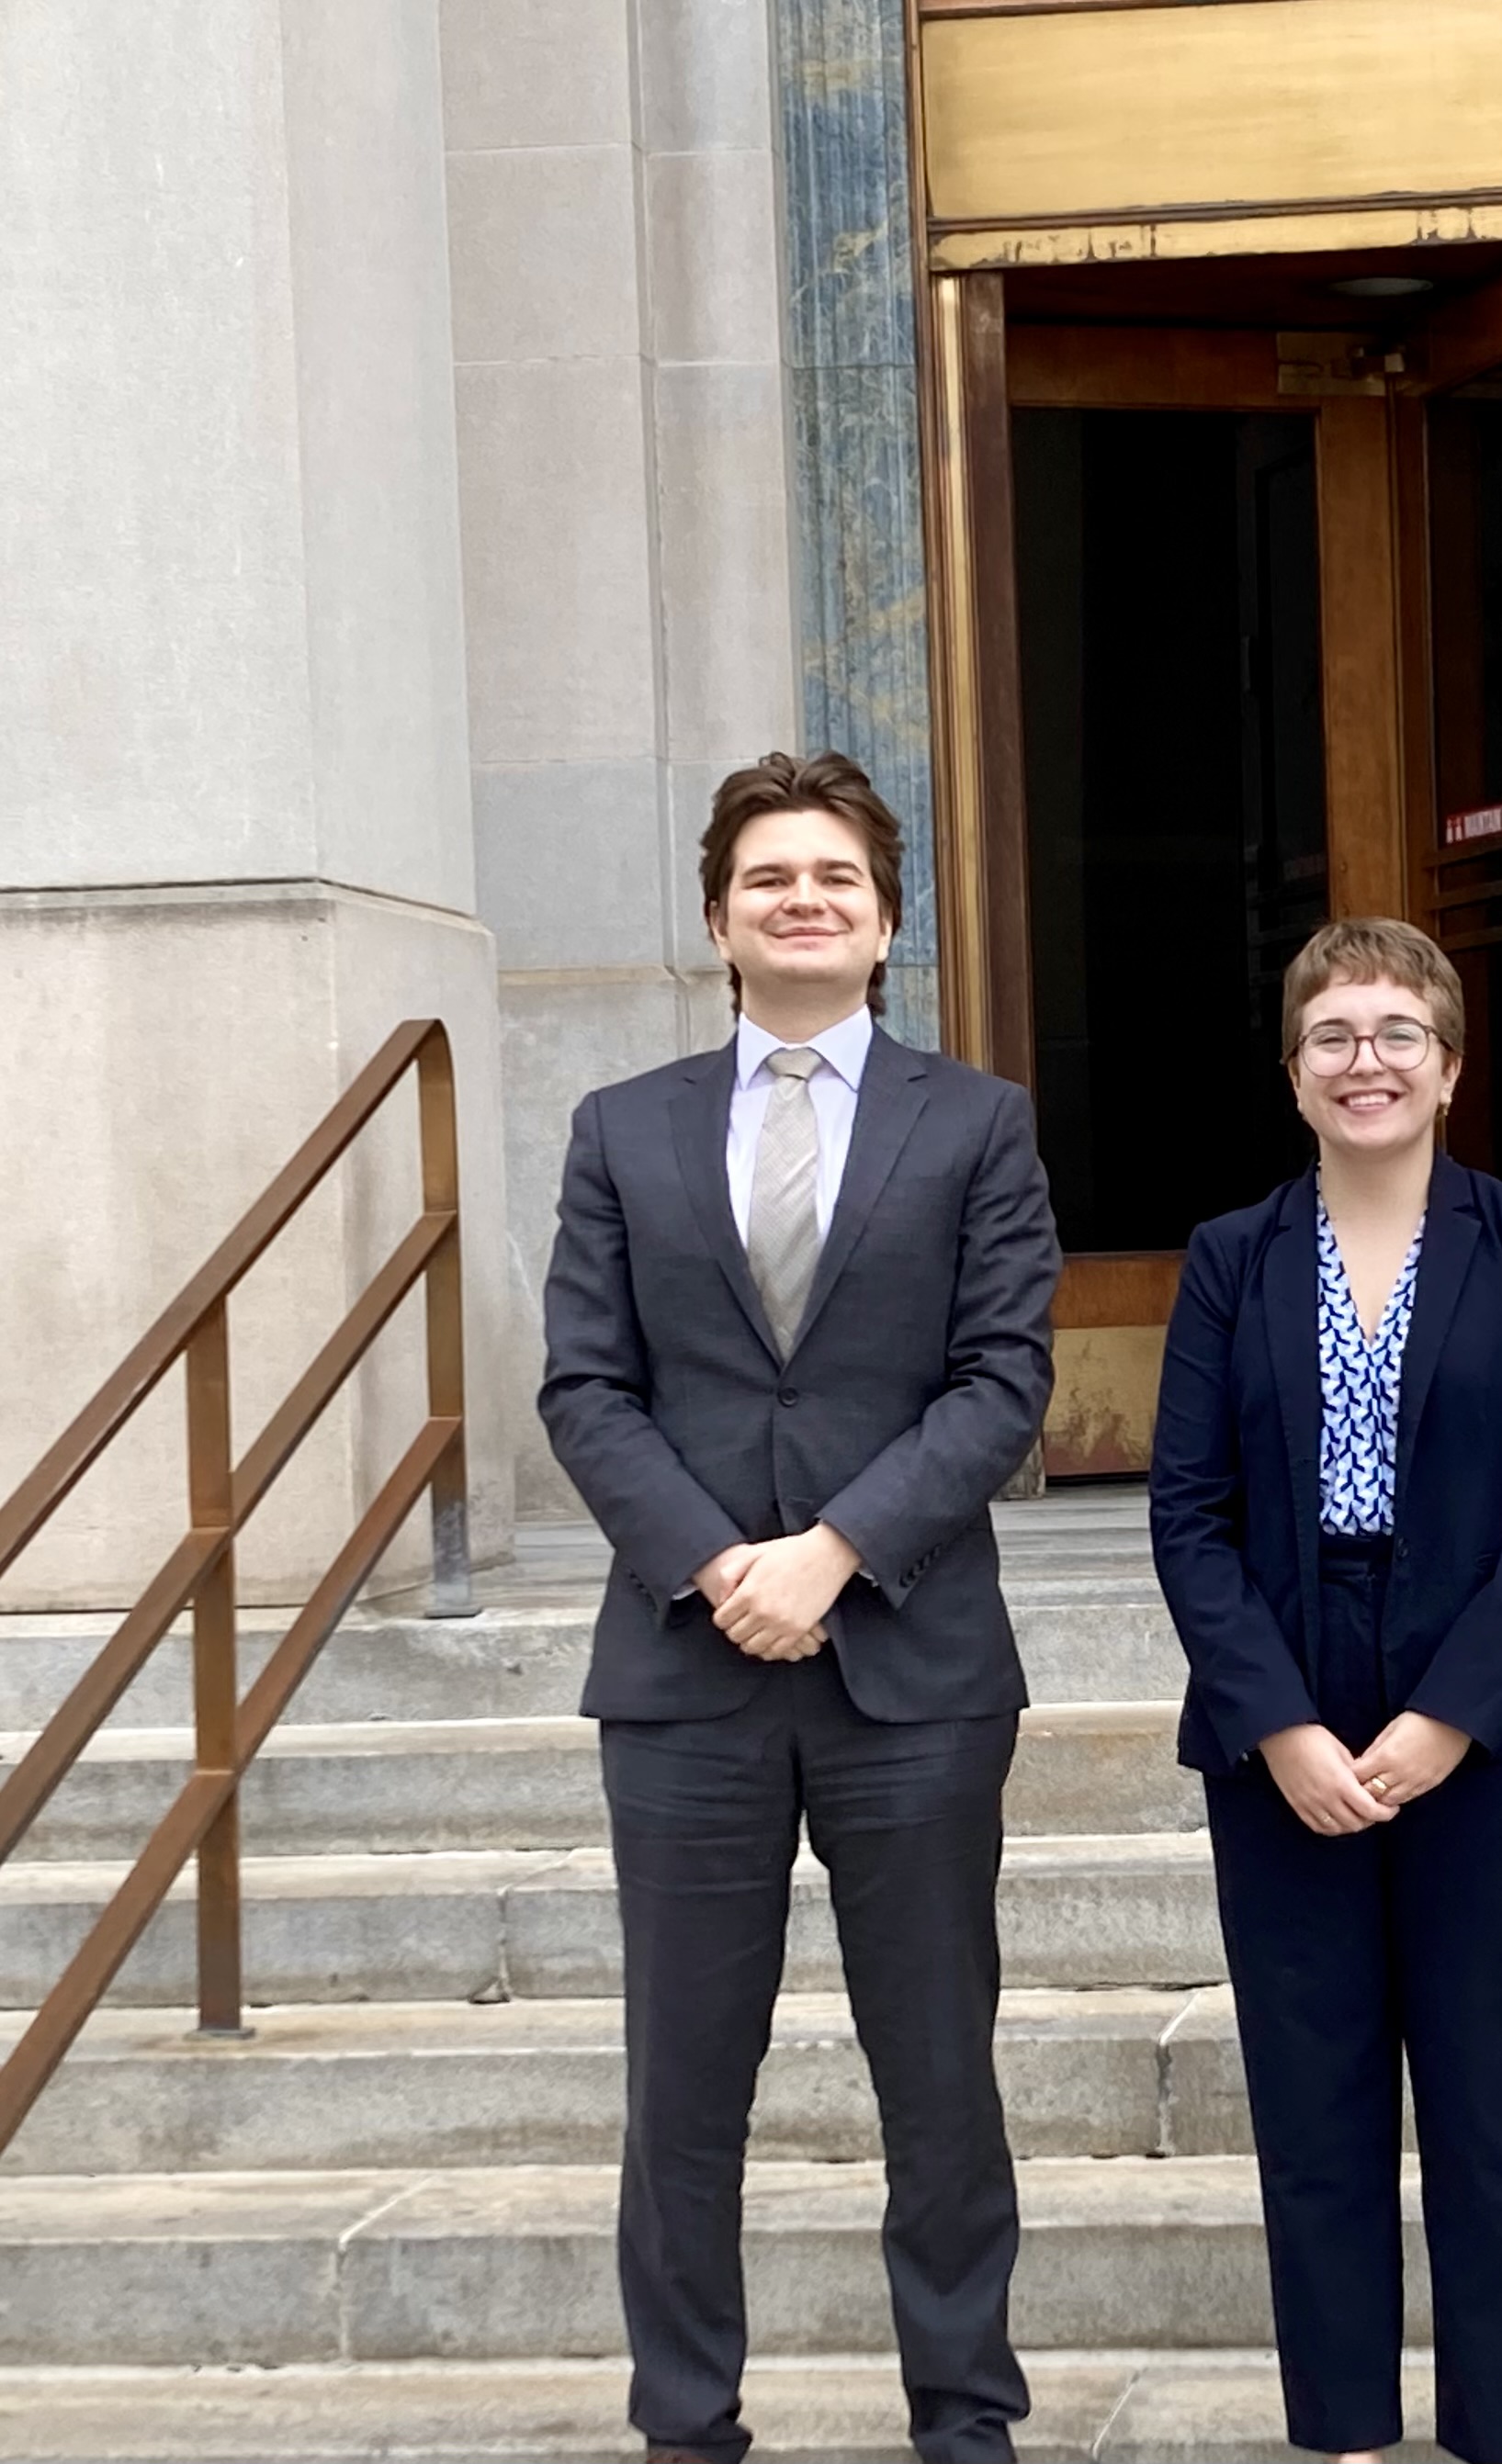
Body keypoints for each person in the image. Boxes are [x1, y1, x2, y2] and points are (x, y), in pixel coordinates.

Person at [538, 751, 1059, 2464]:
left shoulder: (973, 1120)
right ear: (717, 920)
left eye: (836, 875)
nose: (804, 899)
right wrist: (715, 1566)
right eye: (769, 878)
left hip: (912, 1673)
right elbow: (586, 1389)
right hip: (686, 1679)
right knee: (683, 2096)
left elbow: (1001, 1382)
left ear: (887, 917)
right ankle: (686, 2425)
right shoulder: (622, 1129)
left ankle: (964, 2417)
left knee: (939, 2083)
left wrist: (832, 1552)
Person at [1148, 917, 1502, 2464]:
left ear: (1452, 1063)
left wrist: (1443, 1722)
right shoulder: (1230, 1259)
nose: (1367, 1061)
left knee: (1497, 2111)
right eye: (1335, 1036)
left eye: (1397, 1032)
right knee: (1317, 2107)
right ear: (1294, 1075)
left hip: (1492, 1714)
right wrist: (1280, 1724)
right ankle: (1344, 2433)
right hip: (1281, 1701)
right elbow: (1189, 1515)